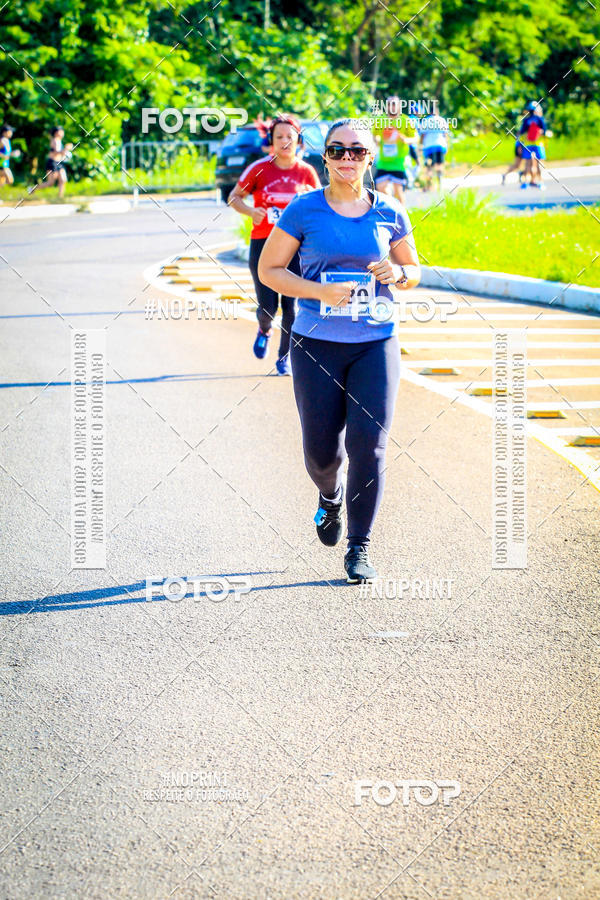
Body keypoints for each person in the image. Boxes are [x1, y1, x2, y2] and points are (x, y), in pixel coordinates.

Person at [258, 119, 420, 583]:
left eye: (357, 151)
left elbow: (413, 270)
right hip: (316, 345)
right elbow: (270, 269)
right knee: (321, 454)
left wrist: (400, 276)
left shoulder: (390, 211)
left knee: (369, 446)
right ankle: (329, 497)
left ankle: (359, 547)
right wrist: (318, 291)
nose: (347, 158)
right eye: (337, 150)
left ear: (370, 158)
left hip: (376, 343)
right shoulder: (304, 210)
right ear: (325, 157)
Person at [228, 115, 320, 375]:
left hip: (295, 248)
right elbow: (233, 197)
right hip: (263, 244)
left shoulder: (306, 172)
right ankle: (264, 328)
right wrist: (250, 211)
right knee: (268, 307)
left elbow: (320, 207)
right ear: (271, 141)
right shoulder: (259, 168)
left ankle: (284, 357)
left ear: (298, 140)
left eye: (290, 136)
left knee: (292, 306)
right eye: (279, 136)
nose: (285, 141)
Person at [372, 96, 418, 205]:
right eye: (389, 104)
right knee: (380, 187)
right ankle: (392, 205)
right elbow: (374, 134)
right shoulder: (380, 120)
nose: (391, 107)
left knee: (398, 191)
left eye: (394, 104)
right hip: (384, 161)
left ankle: (402, 215)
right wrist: (377, 139)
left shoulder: (405, 120)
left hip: (398, 162)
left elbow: (415, 138)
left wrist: (406, 140)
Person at [33, 126, 72, 198]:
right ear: (56, 133)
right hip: (52, 163)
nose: (62, 133)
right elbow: (57, 152)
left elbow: (61, 154)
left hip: (59, 163)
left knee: (63, 179)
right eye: (61, 131)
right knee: (50, 183)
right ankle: (33, 189)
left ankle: (60, 196)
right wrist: (66, 149)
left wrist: (66, 155)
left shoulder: (59, 141)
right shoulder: (55, 140)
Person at [419, 112, 451, 191]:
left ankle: (429, 185)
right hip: (440, 145)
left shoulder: (425, 121)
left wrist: (420, 145)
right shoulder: (442, 120)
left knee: (429, 166)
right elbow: (445, 134)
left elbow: (423, 135)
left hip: (428, 147)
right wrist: (446, 145)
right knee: (439, 164)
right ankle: (439, 181)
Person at [519, 101, 547, 189]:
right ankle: (541, 182)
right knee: (539, 163)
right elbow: (544, 132)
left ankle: (526, 182)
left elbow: (522, 133)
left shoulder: (526, 120)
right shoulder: (540, 119)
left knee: (527, 164)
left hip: (528, 145)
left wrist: (520, 145)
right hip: (538, 144)